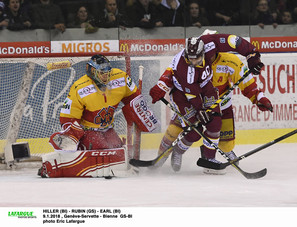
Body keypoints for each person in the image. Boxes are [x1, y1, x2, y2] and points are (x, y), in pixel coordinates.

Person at [149, 32, 266, 173]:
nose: (193, 62)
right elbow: (192, 94)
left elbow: (234, 41)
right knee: (195, 131)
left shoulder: (209, 43)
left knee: (215, 122)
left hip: (206, 87)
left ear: (203, 51)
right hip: (183, 96)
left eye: (196, 58)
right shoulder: (184, 69)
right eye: (190, 59)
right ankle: (178, 151)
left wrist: (252, 54)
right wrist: (200, 110)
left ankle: (208, 159)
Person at [38, 54, 159, 178]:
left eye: (108, 72)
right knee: (103, 148)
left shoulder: (120, 77)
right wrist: (72, 136)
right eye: (102, 73)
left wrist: (140, 112)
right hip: (88, 131)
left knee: (117, 151)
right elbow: (68, 117)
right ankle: (70, 156)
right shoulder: (80, 87)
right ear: (93, 71)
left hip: (108, 129)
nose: (106, 76)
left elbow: (133, 98)